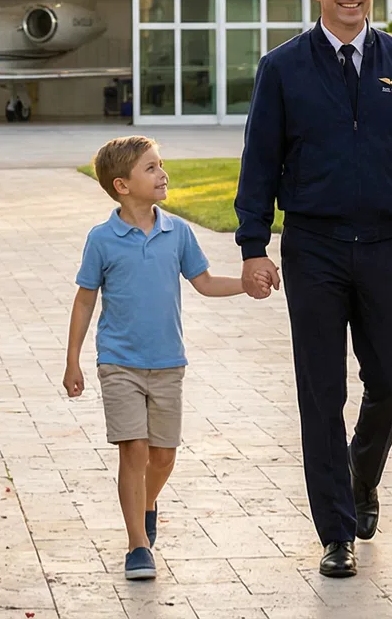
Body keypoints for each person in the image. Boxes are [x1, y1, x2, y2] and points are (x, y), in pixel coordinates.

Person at [234, 0, 392, 579]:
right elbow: (259, 160)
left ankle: (361, 475)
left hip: (386, 244)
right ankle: (336, 532)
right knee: (321, 392)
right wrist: (253, 246)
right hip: (315, 247)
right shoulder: (282, 67)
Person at [62, 135, 246, 581]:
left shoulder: (177, 232)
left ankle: (146, 503)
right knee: (134, 450)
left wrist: (247, 284)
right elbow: (85, 300)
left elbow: (204, 283)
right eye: (151, 168)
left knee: (162, 456)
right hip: (118, 362)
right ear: (122, 185)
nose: (163, 174)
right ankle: (137, 546)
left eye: (161, 165)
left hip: (168, 363)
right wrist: (73, 360)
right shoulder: (102, 239)